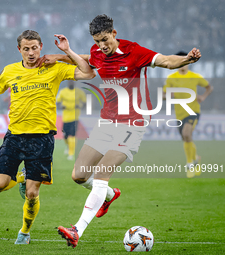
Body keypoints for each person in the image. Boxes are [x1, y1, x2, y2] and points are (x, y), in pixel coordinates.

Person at [37, 14, 202, 248]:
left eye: (105, 39)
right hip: (107, 121)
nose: (101, 46)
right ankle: (109, 195)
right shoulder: (97, 52)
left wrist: (186, 59)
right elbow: (88, 59)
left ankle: (77, 230)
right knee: (79, 176)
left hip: (133, 122)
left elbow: (165, 60)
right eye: (97, 41)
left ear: (114, 34)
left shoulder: (134, 52)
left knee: (102, 173)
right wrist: (61, 54)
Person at [0, 30, 95, 245]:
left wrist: (65, 52)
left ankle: (24, 232)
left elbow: (89, 73)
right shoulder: (10, 71)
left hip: (42, 139)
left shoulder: (54, 68)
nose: (31, 52)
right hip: (15, 137)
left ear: (41, 47)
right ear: (19, 50)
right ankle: (21, 177)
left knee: (32, 193)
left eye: (34, 48)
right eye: (26, 49)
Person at [163, 51, 213, 178]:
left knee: (186, 134)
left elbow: (209, 87)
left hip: (193, 111)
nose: (183, 65)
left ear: (189, 62)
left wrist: (203, 97)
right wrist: (169, 95)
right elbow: (163, 95)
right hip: (179, 113)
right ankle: (196, 158)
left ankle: (190, 164)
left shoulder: (194, 76)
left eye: (186, 62)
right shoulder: (171, 78)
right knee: (187, 138)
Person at [56, 80, 86, 160]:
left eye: (72, 81)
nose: (71, 83)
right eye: (70, 82)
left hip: (75, 118)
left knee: (72, 135)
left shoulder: (79, 92)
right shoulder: (63, 92)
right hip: (65, 118)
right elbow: (57, 103)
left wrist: (79, 106)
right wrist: (61, 106)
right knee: (65, 136)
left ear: (74, 82)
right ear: (67, 83)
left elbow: (85, 103)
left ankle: (71, 154)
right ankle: (68, 146)